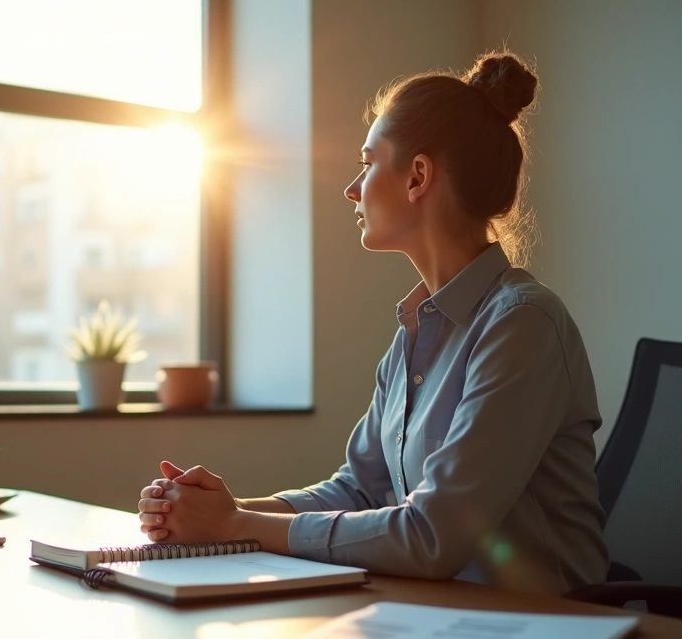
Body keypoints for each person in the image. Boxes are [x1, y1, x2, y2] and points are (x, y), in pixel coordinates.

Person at [136, 51, 609, 596]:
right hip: (438, 612)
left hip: (547, 622)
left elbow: (432, 537)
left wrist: (238, 527)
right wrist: (218, 509)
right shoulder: (414, 334)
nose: (352, 189)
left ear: (417, 177)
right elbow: (359, 490)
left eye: (367, 162)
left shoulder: (522, 325)